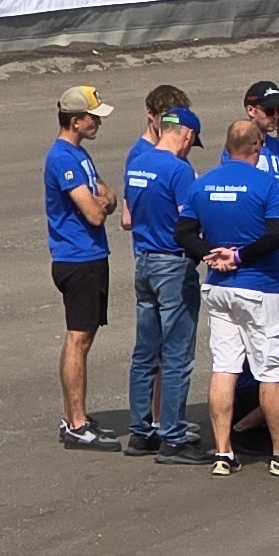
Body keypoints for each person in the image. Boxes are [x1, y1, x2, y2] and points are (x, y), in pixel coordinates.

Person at [184, 113, 279, 477]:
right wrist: (238, 256)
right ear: (257, 146)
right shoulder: (267, 184)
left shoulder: (202, 183)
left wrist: (209, 253)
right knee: (271, 371)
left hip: (218, 288)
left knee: (224, 367)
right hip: (260, 287)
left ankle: (223, 452)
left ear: (224, 148)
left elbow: (183, 231)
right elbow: (276, 234)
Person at [119, 98, 202, 460]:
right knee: (177, 354)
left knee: (145, 352)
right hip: (172, 262)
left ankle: (140, 431)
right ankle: (173, 435)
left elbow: (129, 216)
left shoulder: (138, 162)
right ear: (186, 136)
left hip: (144, 260)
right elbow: (190, 219)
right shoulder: (178, 170)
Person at [41, 84, 115, 450]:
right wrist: (101, 203)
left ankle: (77, 414)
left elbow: (109, 197)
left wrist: (103, 201)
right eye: (92, 117)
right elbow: (95, 212)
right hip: (77, 259)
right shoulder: (63, 158)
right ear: (75, 121)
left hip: (90, 256)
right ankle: (75, 421)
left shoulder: (79, 155)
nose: (98, 123)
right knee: (78, 339)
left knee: (83, 339)